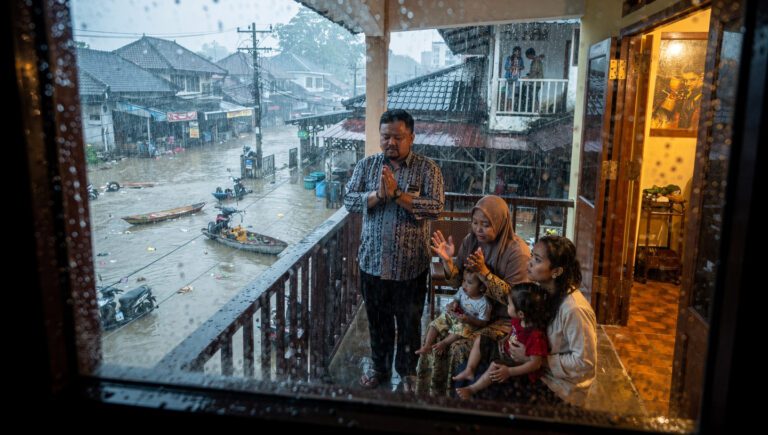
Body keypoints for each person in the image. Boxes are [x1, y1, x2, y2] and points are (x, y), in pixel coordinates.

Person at [344, 109, 445, 391]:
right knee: (378, 323)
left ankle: (408, 373)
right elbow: (348, 200)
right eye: (386, 137)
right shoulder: (367, 166)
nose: (391, 143)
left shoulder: (428, 169)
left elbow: (435, 207)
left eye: (398, 137)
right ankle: (380, 368)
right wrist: (377, 196)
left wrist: (399, 195)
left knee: (410, 322)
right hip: (372, 264)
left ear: (411, 137)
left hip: (410, 267)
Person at [416, 195, 530, 396]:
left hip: (502, 320)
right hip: (471, 312)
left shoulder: (517, 252)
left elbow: (516, 300)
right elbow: (457, 282)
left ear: (501, 223)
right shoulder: (471, 241)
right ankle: (432, 395)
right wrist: (447, 262)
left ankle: (458, 400)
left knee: (459, 347)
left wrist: (485, 273)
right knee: (437, 333)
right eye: (475, 223)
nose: (478, 229)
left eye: (486, 224)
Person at [506, 235, 597, 406]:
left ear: (556, 271)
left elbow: (584, 363)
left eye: (538, 259)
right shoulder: (543, 292)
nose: (530, 262)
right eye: (532, 255)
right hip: (540, 372)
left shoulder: (574, 309)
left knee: (496, 393)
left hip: (562, 389)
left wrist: (537, 359)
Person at [454, 282, 549, 399]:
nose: (507, 306)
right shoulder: (517, 320)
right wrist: (505, 339)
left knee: (495, 365)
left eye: (509, 304)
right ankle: (469, 370)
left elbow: (535, 364)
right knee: (481, 338)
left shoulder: (535, 335)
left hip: (516, 365)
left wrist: (509, 371)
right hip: (505, 352)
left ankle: (473, 389)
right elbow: (512, 331)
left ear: (521, 313)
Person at [415, 270, 491, 356]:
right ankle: (427, 345)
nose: (464, 285)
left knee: (461, 328)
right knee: (437, 321)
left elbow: (483, 323)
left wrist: (469, 320)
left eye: (469, 282)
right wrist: (453, 304)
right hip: (456, 316)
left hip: (468, 324)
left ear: (481, 287)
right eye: (464, 280)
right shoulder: (462, 291)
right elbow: (456, 300)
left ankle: (444, 343)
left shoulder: (484, 304)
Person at [503, 46, 524, 110]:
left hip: (517, 77)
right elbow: (505, 67)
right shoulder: (509, 58)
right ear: (514, 52)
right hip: (510, 77)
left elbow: (522, 67)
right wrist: (511, 67)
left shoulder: (520, 59)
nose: (517, 53)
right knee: (510, 93)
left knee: (516, 94)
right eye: (516, 51)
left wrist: (518, 67)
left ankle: (515, 107)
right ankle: (509, 108)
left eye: (519, 52)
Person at [524, 47, 544, 112]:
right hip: (535, 81)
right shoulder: (536, 60)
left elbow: (535, 71)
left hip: (537, 81)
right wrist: (529, 75)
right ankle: (535, 109)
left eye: (527, 56)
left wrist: (528, 77)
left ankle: (536, 110)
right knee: (533, 95)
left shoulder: (536, 60)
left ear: (530, 55)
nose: (527, 58)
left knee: (533, 96)